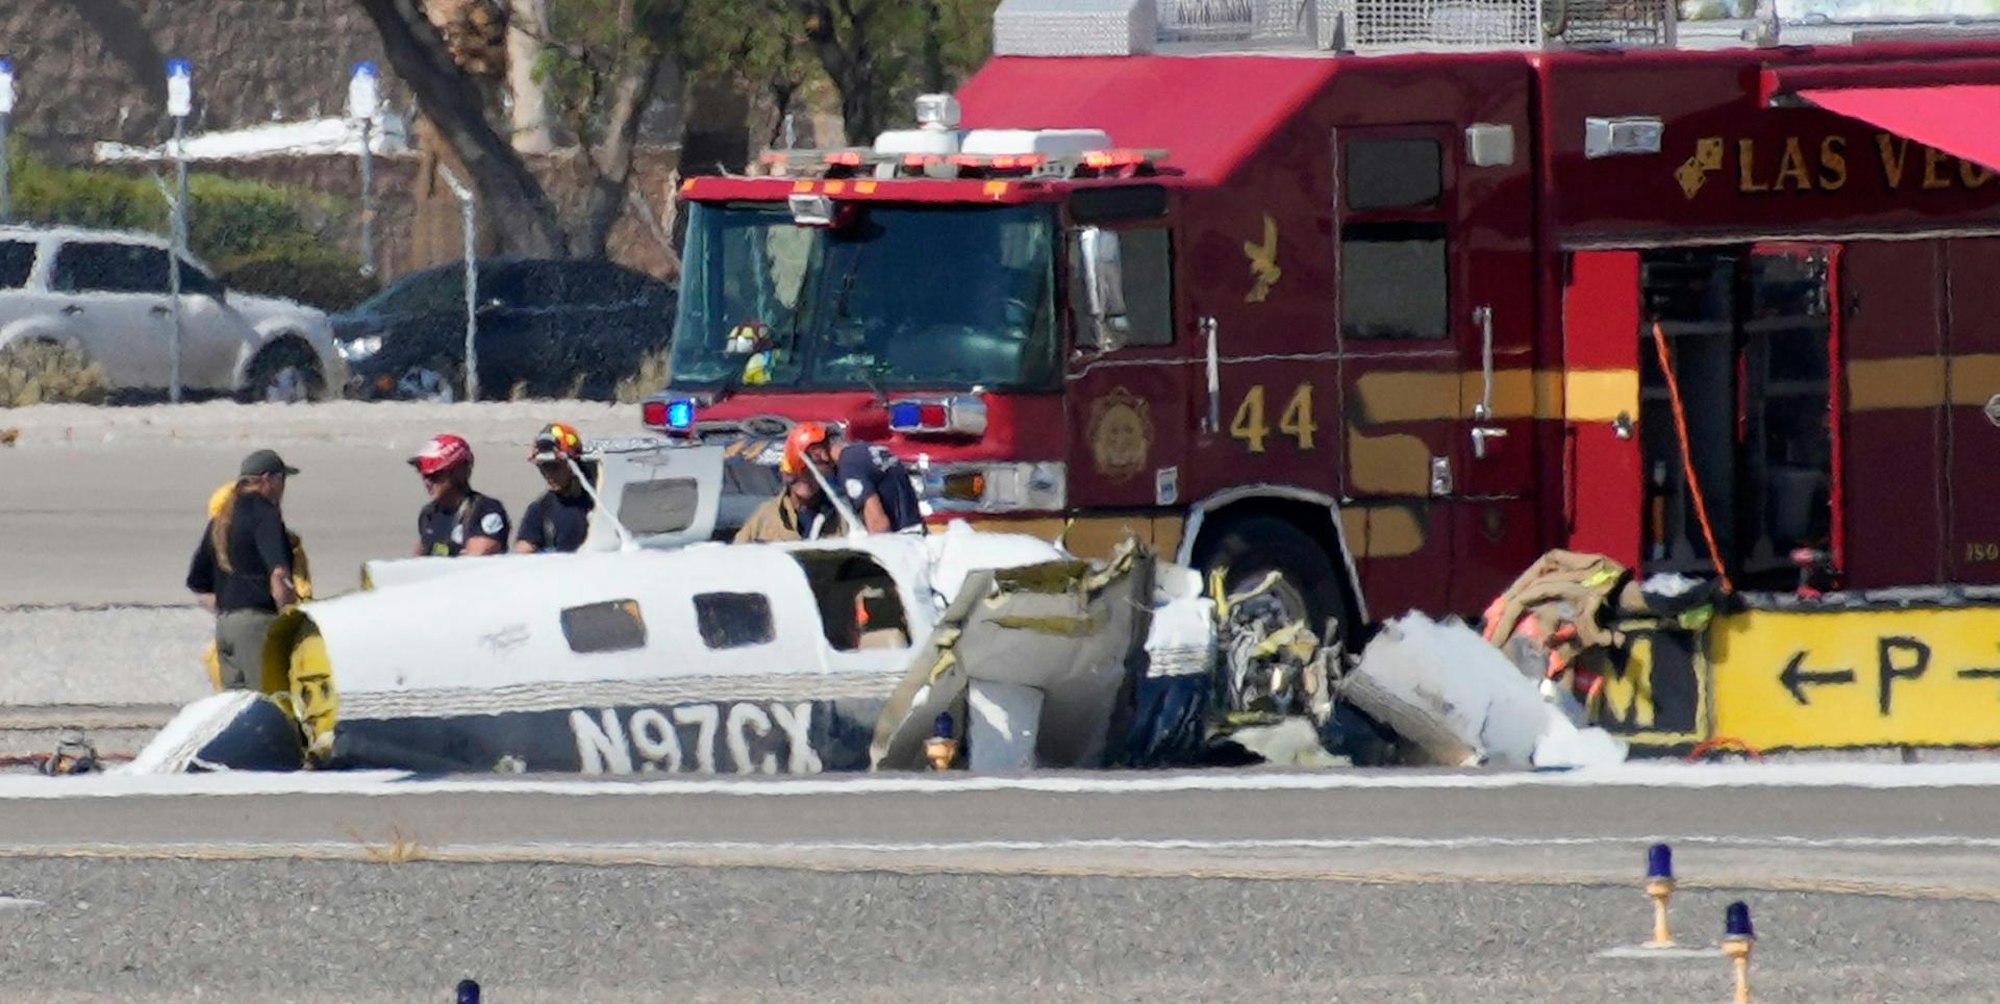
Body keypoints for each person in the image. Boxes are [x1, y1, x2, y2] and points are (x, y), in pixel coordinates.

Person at [185, 449, 300, 691]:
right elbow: (279, 575)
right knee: (271, 702)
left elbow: (198, 584)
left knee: (238, 708)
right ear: (269, 479)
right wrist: (289, 621)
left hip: (226, 626)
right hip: (257, 626)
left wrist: (231, 604)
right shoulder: (265, 515)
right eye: (282, 479)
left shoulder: (222, 517)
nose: (284, 488)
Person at [783, 421, 926, 535]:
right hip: (917, 534)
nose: (818, 475)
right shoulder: (866, 451)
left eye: (811, 468)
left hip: (900, 543)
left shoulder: (849, 469)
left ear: (817, 453)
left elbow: (879, 524)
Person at [411, 433, 511, 556]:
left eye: (434, 476)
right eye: (424, 476)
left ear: (458, 472)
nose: (427, 482)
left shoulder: (485, 510)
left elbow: (475, 562)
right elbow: (419, 559)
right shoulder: (429, 513)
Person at [516, 422, 596, 554]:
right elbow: (523, 552)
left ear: (573, 464)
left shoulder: (600, 501)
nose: (549, 474)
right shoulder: (539, 510)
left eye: (555, 466)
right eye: (545, 467)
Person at [735, 459, 844, 544]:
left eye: (811, 471)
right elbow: (737, 556)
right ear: (784, 475)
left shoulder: (842, 515)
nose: (805, 477)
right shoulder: (766, 514)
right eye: (798, 470)